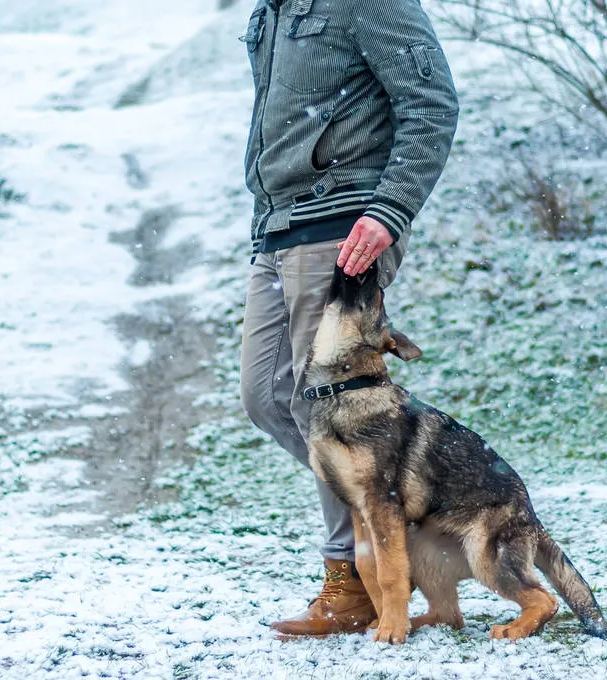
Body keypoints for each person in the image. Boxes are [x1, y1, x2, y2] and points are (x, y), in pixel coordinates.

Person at [237, 0, 459, 637]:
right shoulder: (273, 11)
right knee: (267, 395)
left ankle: (355, 577)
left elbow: (432, 104)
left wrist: (390, 209)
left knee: (326, 408)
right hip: (278, 227)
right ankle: (403, 514)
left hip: (345, 223)